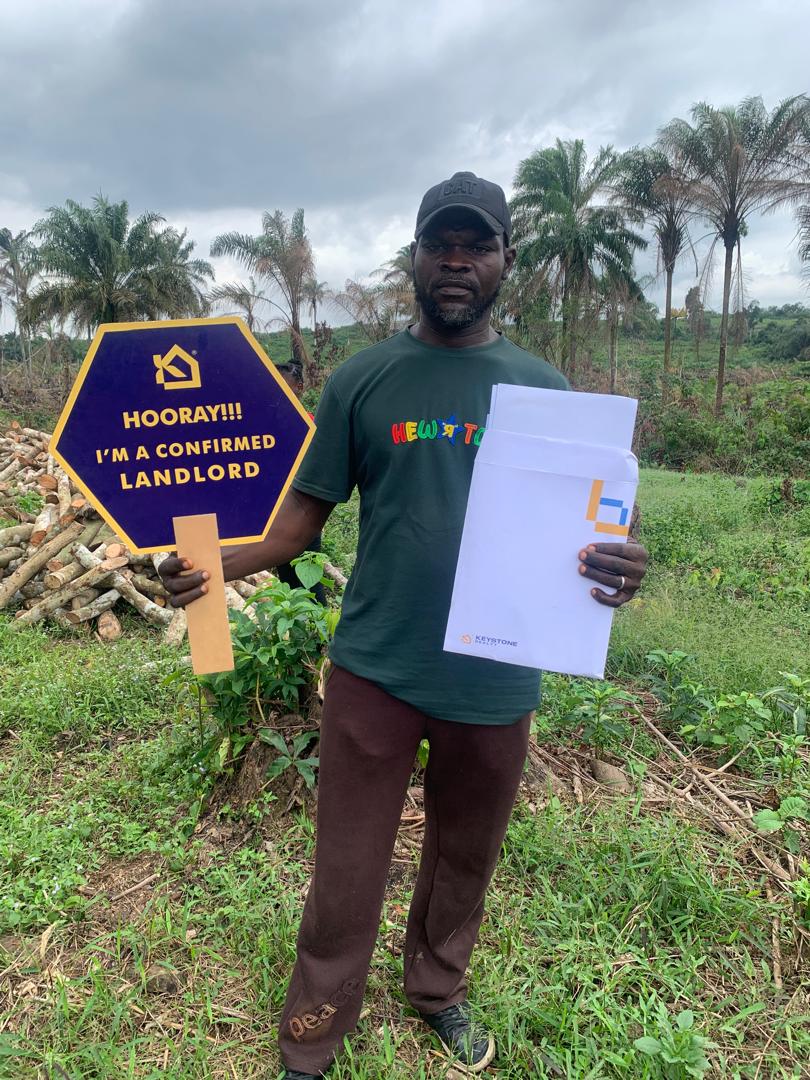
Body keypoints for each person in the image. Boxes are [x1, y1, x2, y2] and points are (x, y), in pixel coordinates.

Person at [161, 171, 649, 1079]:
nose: (457, 261)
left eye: (478, 245)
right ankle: (313, 1030)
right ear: (415, 257)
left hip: (495, 679)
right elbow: (297, 527)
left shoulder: (545, 390)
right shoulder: (363, 379)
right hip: (376, 671)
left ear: (506, 261)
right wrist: (211, 567)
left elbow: (596, 536)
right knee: (346, 866)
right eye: (441, 244)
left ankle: (437, 989)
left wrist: (621, 569)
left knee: (466, 854)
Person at [274, 360, 328, 607]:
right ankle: (298, 625)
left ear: (299, 387)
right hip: (277, 514)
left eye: (284, 385)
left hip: (304, 513)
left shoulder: (309, 425)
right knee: (286, 576)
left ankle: (318, 625)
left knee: (309, 576)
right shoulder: (267, 427)